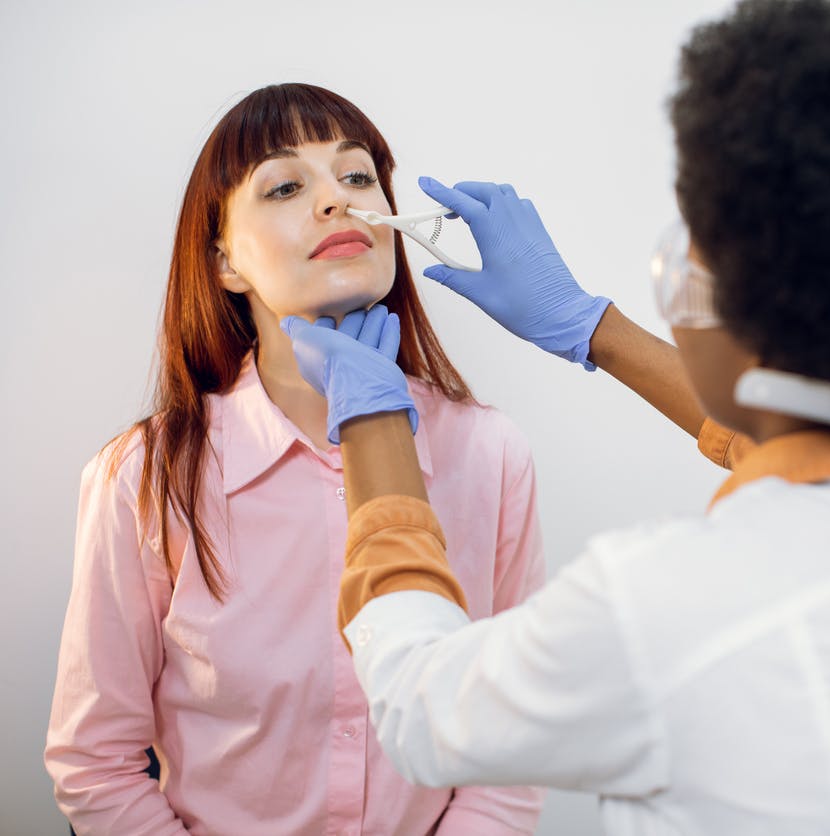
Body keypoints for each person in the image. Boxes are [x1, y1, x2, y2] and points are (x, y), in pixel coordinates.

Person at [284, 0, 830, 832]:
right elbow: (821, 449)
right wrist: (592, 328)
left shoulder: (668, 606)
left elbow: (423, 711)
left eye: (707, 251)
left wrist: (372, 422)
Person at [46, 83, 545, 835]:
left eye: (356, 177)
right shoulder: (143, 477)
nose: (336, 202)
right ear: (224, 263)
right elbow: (96, 766)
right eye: (286, 186)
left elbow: (509, 745)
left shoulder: (490, 452)